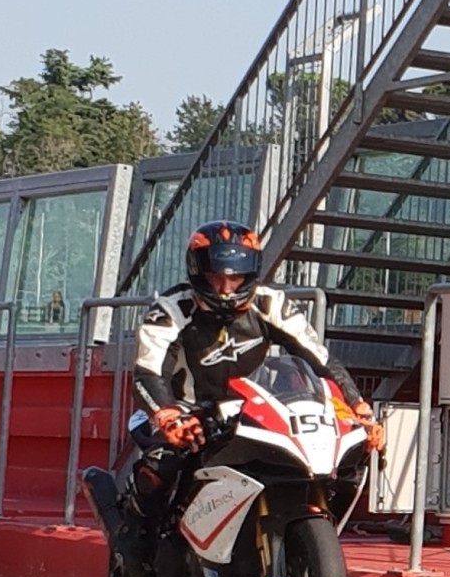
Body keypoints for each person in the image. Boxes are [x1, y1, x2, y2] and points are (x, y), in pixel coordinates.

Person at [126, 219, 383, 524]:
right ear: (197, 272)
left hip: (252, 408)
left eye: (235, 277)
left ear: (250, 274)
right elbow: (147, 372)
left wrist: (359, 407)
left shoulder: (271, 303)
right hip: (185, 408)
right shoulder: (170, 310)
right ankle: (136, 536)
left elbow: (321, 360)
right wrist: (167, 415)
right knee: (160, 468)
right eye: (215, 277)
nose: (225, 289)